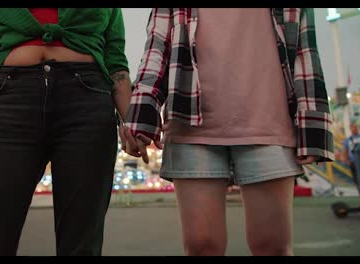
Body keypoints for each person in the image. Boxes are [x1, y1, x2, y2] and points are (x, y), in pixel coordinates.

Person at [122, 8, 333, 256]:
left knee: (272, 248)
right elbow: (157, 48)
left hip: (269, 121)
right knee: (202, 247)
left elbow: (304, 51)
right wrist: (140, 117)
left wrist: (313, 125)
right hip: (190, 124)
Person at [0, 8, 131, 256]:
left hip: (88, 104)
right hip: (9, 102)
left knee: (82, 246)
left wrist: (131, 120)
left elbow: (115, 59)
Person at [341, 123, 360, 202]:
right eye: (351, 127)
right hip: (354, 163)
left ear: (357, 128)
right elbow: (345, 151)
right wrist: (346, 161)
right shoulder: (348, 140)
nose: (353, 129)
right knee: (357, 181)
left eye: (355, 127)